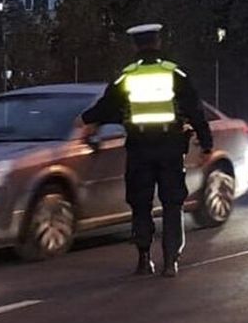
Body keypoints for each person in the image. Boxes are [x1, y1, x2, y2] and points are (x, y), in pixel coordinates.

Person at [80, 23, 213, 278]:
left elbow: (107, 106)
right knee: (172, 203)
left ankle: (143, 259)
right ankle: (170, 261)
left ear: (135, 45)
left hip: (139, 149)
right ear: (158, 42)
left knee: (140, 203)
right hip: (170, 147)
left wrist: (85, 120)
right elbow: (196, 110)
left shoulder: (126, 76)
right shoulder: (175, 73)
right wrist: (206, 145)